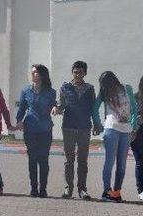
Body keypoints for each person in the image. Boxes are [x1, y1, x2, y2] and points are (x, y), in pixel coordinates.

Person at [52, 61, 100, 200]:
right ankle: (68, 188)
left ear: (85, 73)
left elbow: (93, 109)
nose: (78, 74)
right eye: (75, 72)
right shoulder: (65, 87)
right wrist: (57, 109)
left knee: (83, 160)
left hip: (85, 128)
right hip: (68, 127)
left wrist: (97, 124)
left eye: (80, 72)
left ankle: (82, 189)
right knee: (69, 160)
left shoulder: (90, 89)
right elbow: (61, 105)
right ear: (72, 72)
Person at [93, 71, 137, 202]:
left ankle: (116, 193)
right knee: (109, 161)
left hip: (125, 131)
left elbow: (134, 109)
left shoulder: (126, 88)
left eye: (105, 84)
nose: (104, 87)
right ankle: (107, 191)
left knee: (122, 164)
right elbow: (94, 109)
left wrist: (133, 126)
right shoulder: (104, 92)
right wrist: (98, 124)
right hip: (111, 129)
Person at [16, 64, 57, 198]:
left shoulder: (50, 92)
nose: (33, 74)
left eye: (36, 72)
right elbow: (22, 108)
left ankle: (43, 189)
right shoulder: (26, 91)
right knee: (32, 159)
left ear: (42, 75)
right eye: (32, 72)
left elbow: (54, 105)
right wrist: (19, 121)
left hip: (45, 129)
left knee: (43, 159)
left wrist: (55, 108)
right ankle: (34, 188)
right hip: (30, 129)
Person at [131, 75, 143, 201]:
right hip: (137, 132)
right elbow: (130, 115)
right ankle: (141, 190)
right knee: (140, 161)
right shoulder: (135, 97)